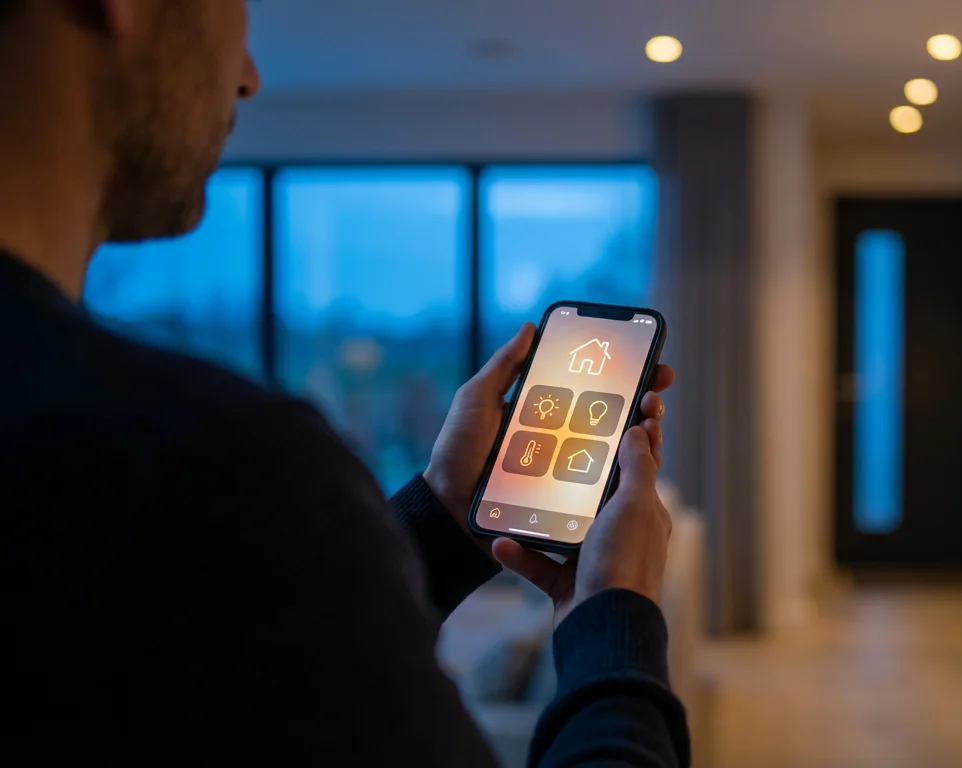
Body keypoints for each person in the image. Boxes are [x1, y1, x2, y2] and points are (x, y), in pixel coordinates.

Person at [0, 1, 688, 765]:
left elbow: (269, 662)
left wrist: (444, 513)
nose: (251, 77)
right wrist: (617, 617)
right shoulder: (210, 465)